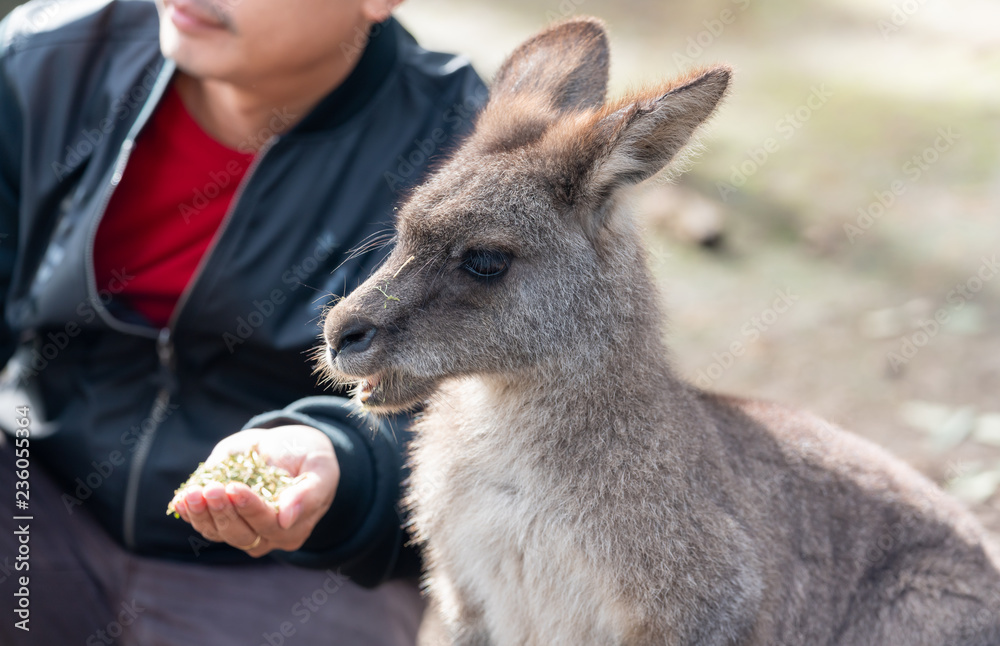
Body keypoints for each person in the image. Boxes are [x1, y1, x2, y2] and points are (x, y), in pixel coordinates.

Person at [0, 0, 487, 643]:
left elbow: (487, 428)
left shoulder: (462, 151)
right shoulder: (46, 61)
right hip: (41, 493)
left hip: (293, 564)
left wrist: (342, 464)